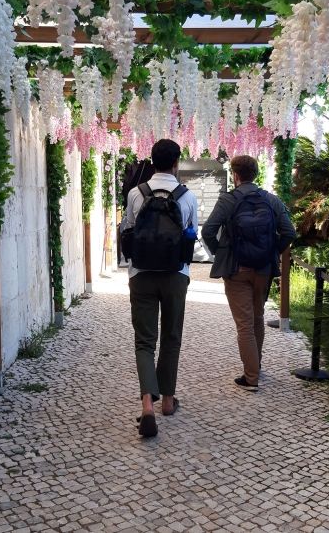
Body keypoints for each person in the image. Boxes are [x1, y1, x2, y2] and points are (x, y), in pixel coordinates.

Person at [123, 139, 199, 437]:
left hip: (140, 273)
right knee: (171, 336)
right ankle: (168, 400)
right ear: (176, 162)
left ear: (152, 161)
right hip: (175, 275)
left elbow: (127, 229)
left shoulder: (135, 193)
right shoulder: (187, 196)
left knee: (144, 341)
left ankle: (146, 406)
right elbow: (191, 233)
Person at [202, 155, 296, 392]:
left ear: (235, 175)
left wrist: (223, 253)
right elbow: (289, 232)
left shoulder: (228, 200)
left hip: (237, 269)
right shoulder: (271, 200)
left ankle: (251, 377)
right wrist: (272, 252)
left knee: (244, 324)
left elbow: (208, 232)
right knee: (257, 317)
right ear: (255, 173)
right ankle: (257, 364)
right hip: (263, 269)